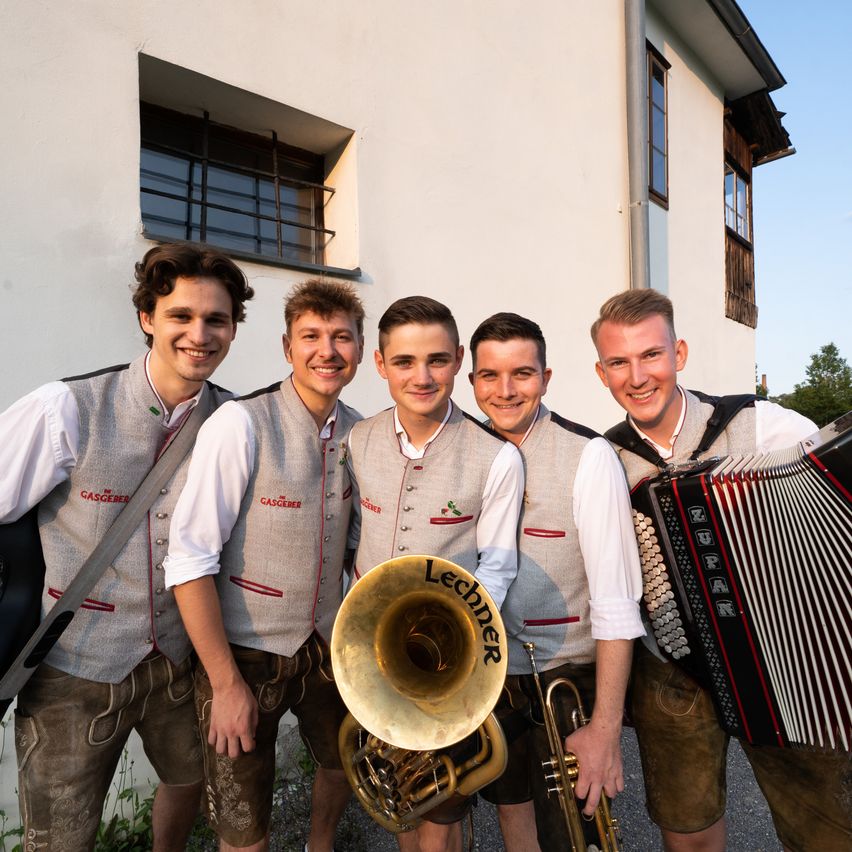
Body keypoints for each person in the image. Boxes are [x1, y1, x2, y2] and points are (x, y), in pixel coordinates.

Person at [0, 242, 253, 851]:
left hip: (179, 663)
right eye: (181, 316)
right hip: (74, 669)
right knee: (59, 839)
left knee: (190, 782)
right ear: (147, 318)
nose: (200, 334)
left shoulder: (234, 421)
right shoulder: (65, 407)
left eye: (216, 319)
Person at [591, 288, 852, 852]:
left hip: (785, 657)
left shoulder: (761, 424)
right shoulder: (605, 461)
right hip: (672, 670)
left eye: (651, 355)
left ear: (679, 353)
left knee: (826, 832)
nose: (637, 376)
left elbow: (834, 495)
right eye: (619, 362)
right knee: (690, 837)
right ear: (601, 372)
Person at [163, 279, 365, 852]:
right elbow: (190, 559)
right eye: (311, 336)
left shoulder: (364, 431)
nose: (327, 350)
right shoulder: (240, 423)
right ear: (287, 347)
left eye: (341, 337)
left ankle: (319, 844)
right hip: (245, 652)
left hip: (328, 642)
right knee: (242, 815)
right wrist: (225, 683)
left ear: (358, 349)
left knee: (342, 760)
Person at [346, 296, 525, 852]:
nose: (421, 377)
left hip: (449, 656)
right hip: (373, 656)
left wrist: (460, 633)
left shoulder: (497, 457)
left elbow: (496, 564)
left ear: (458, 359)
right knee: (403, 797)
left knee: (442, 811)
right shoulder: (357, 439)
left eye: (438, 360)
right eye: (404, 362)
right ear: (380, 365)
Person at [467, 312, 644, 851]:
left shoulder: (588, 456)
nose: (504, 390)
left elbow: (616, 601)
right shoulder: (465, 449)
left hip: (565, 673)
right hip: (492, 676)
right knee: (511, 809)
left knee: (575, 834)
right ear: (470, 380)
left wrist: (606, 728)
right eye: (489, 375)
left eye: (522, 373)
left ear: (547, 379)